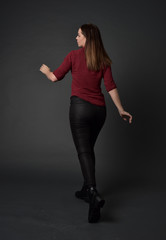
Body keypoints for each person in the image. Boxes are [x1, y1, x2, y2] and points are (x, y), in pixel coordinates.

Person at [39, 23, 132, 223]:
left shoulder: (73, 56)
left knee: (84, 152)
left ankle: (92, 193)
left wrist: (46, 71)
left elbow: (55, 78)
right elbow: (110, 87)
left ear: (88, 37)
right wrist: (120, 109)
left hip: (80, 109)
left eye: (79, 34)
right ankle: (85, 188)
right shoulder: (103, 60)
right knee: (88, 149)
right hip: (100, 111)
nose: (76, 37)